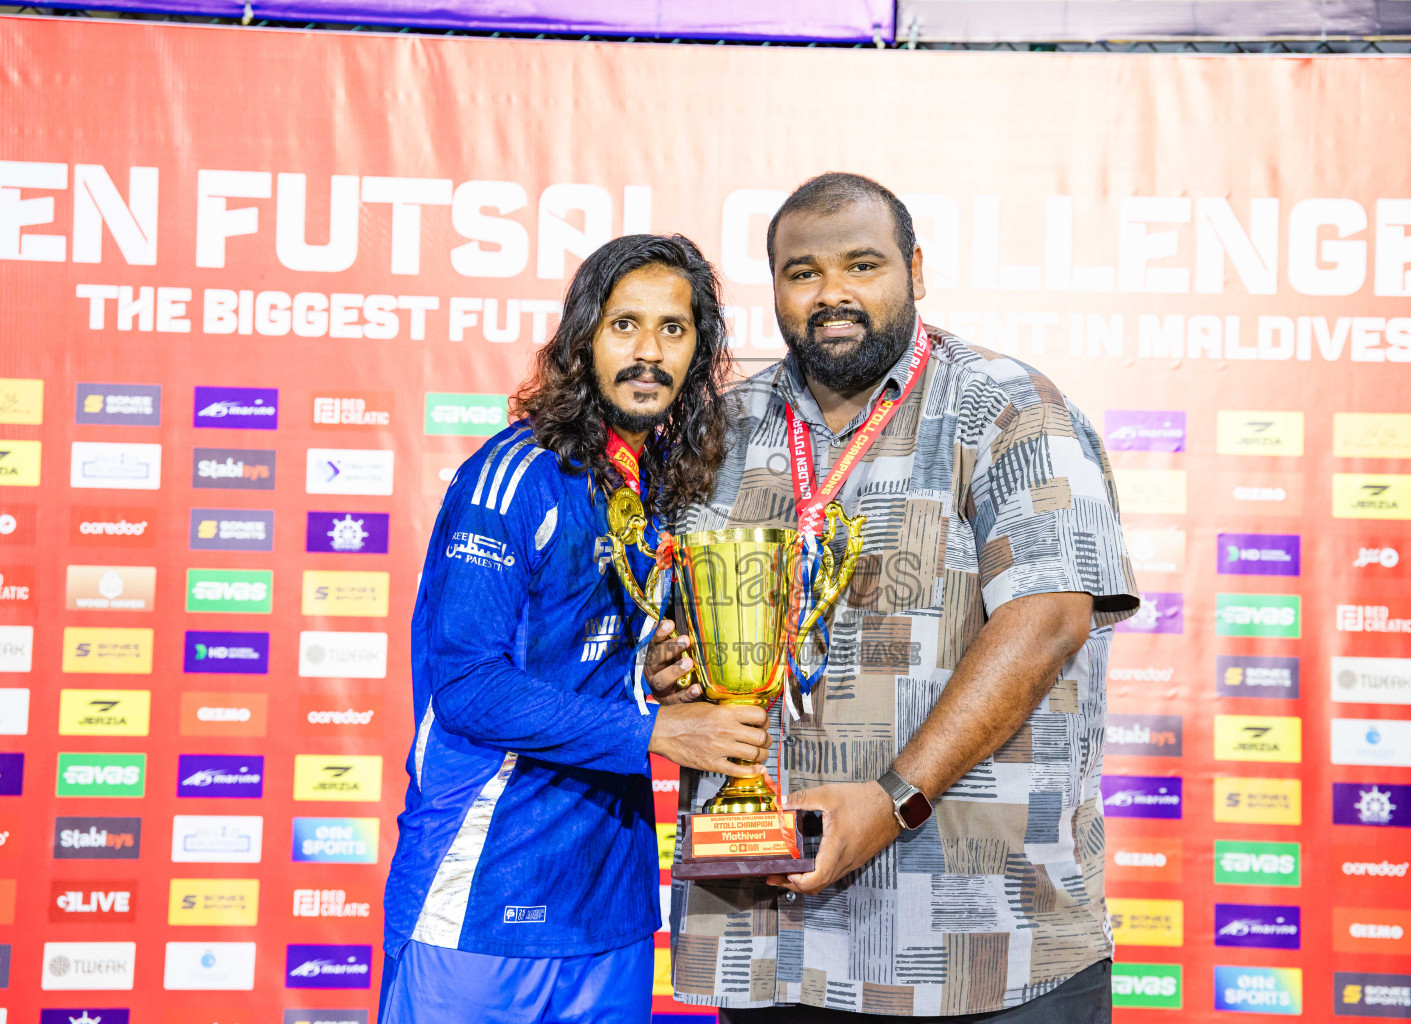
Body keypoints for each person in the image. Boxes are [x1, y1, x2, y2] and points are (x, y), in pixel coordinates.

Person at [649, 174, 1140, 1022]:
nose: (831, 293)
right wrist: (670, 664)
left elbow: (1049, 619)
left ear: (914, 269)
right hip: (769, 935)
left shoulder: (1010, 407)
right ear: (773, 287)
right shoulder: (720, 429)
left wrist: (890, 801)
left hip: (984, 944)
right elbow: (676, 620)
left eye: (862, 265)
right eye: (801, 272)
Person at [380, 234, 771, 1024]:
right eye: (624, 325)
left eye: (673, 329)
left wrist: (653, 674)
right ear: (583, 337)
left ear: (699, 353)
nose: (648, 352)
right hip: (484, 892)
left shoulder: (663, 487)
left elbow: (585, 659)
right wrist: (662, 729)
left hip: (610, 907)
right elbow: (468, 686)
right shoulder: (512, 476)